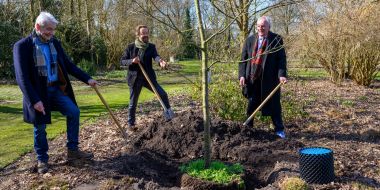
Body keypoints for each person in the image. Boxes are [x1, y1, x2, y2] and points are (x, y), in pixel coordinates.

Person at [13, 12, 98, 174]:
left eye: (53, 30)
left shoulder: (54, 43)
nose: (51, 33)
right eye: (48, 29)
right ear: (38, 27)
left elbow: (69, 65)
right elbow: (21, 77)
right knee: (40, 126)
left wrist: (87, 79)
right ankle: (42, 160)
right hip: (37, 93)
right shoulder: (22, 46)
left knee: (74, 111)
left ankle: (72, 151)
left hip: (56, 89)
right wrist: (34, 100)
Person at [239, 16, 288, 138]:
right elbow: (243, 60)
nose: (260, 28)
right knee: (251, 105)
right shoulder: (250, 40)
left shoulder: (276, 39)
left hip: (270, 80)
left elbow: (281, 59)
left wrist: (281, 75)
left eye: (263, 26)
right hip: (252, 79)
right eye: (258, 26)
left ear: (268, 27)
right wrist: (242, 76)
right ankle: (248, 130)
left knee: (274, 106)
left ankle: (279, 130)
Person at [120, 25, 174, 128]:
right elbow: (122, 61)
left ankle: (169, 116)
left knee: (162, 94)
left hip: (148, 78)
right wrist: (132, 61)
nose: (145, 35)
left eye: (146, 33)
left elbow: (156, 56)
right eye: (142, 33)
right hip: (135, 79)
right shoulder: (131, 47)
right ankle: (131, 124)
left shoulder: (151, 47)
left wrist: (161, 62)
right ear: (138, 34)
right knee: (133, 103)